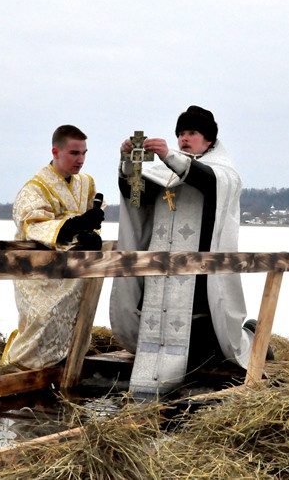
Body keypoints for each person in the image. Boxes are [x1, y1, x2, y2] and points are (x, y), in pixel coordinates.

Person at [109, 105, 256, 395]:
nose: (184, 139)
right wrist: (128, 162)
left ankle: (252, 335)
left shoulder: (224, 173)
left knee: (211, 349)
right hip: (162, 272)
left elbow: (205, 179)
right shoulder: (166, 171)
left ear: (209, 140)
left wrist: (168, 155)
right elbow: (135, 198)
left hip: (200, 278)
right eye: (180, 134)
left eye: (192, 133)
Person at [1, 124, 104, 369]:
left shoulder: (86, 183)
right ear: (55, 152)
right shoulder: (35, 188)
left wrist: (90, 233)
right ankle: (20, 366)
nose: (80, 160)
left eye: (84, 153)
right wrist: (75, 225)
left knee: (75, 317)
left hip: (73, 269)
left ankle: (67, 364)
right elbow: (32, 224)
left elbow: (93, 216)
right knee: (43, 317)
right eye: (74, 153)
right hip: (39, 270)